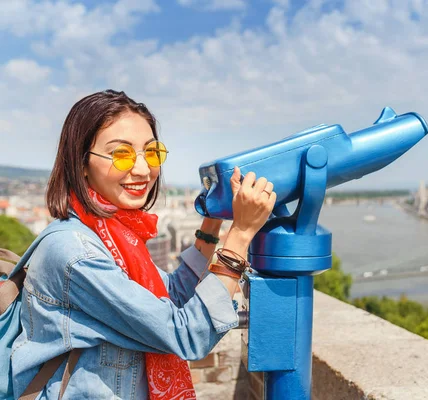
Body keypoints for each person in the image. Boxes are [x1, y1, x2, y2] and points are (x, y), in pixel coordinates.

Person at [10, 90, 276, 399]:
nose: (142, 169)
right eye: (121, 154)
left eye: (151, 153)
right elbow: (187, 334)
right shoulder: (75, 252)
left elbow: (172, 296)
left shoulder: (113, 235)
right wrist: (241, 234)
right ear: (81, 162)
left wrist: (213, 222)